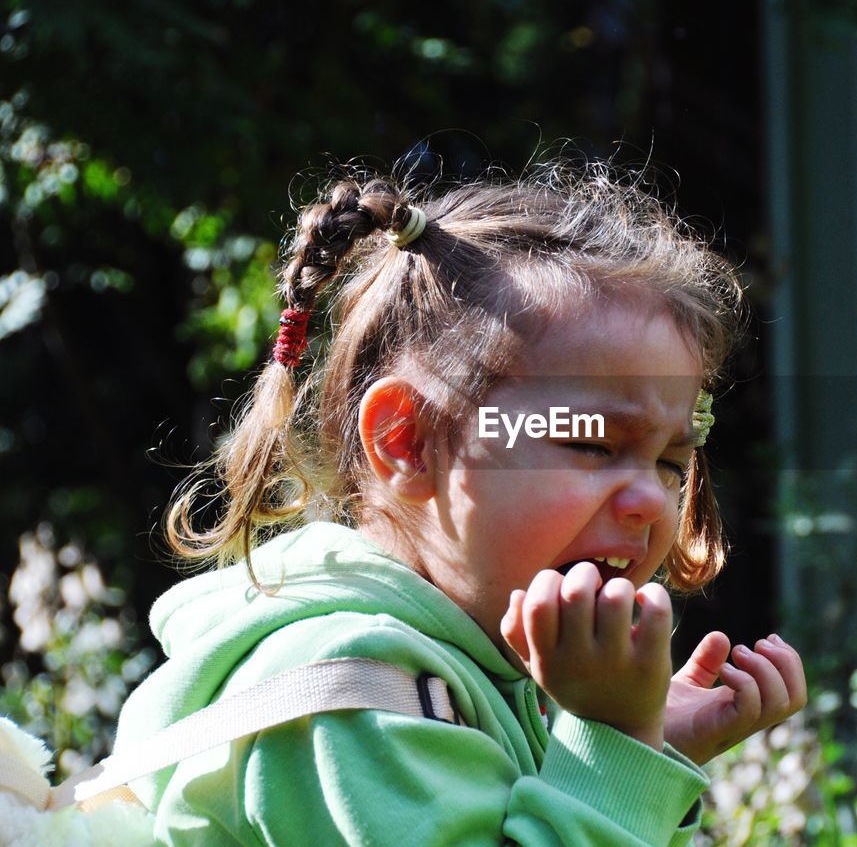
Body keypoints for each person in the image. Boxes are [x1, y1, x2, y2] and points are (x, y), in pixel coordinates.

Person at [113, 159, 807, 846]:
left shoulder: (468, 675)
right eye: (592, 446)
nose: (649, 501)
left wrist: (646, 754)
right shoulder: (354, 694)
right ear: (407, 442)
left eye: (669, 462)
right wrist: (612, 746)